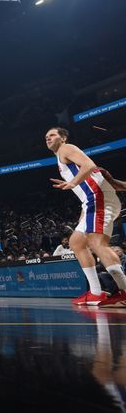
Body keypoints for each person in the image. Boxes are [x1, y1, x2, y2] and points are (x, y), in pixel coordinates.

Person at [45, 127, 126, 306]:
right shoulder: (62, 158)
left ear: (63, 138)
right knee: (76, 242)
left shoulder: (66, 149)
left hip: (98, 199)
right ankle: (96, 292)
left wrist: (73, 182)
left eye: (52, 135)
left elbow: (89, 165)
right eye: (46, 137)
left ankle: (125, 291)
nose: (48, 138)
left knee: (98, 243)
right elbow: (113, 184)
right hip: (92, 203)